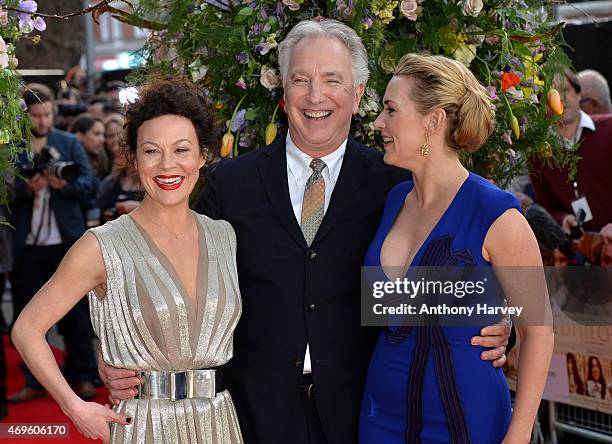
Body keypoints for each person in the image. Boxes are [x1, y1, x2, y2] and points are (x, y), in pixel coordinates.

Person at [99, 20, 511, 443]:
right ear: (283, 92)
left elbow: (428, 279)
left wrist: (493, 322)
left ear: (358, 93)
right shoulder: (233, 184)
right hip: (253, 415)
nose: (315, 97)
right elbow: (163, 269)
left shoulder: (395, 186)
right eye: (301, 80)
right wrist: (113, 351)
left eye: (332, 80)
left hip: (365, 415)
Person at [12, 78, 243, 443]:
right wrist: (75, 407)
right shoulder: (102, 247)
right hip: (145, 427)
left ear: (202, 156)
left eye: (182, 149)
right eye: (152, 151)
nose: (168, 165)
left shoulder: (224, 236)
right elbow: (27, 329)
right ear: (133, 158)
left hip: (218, 422)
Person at [359, 53, 554, 443]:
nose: (378, 123)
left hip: (465, 418)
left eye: (391, 110)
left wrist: (515, 439)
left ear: (433, 121)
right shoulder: (395, 199)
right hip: (380, 415)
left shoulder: (494, 213)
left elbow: (539, 332)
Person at [9, 83, 99, 403]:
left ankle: (84, 376)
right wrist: (25, 190)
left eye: (48, 114)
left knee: (77, 315)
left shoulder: (70, 143)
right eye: (37, 115)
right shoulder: (13, 147)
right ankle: (34, 380)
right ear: (25, 116)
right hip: (28, 245)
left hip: (66, 244)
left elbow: (91, 184)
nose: (44, 120)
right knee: (29, 316)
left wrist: (65, 185)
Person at [529, 70, 612, 239]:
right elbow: (548, 209)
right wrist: (563, 219)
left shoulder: (609, 128)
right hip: (579, 254)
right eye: (551, 93)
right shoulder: (537, 151)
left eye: (565, 89)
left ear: (579, 93)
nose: (560, 98)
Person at [70, 114, 110, 180]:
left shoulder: (105, 161)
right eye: (97, 134)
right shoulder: (69, 163)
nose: (102, 140)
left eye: (103, 135)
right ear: (79, 136)